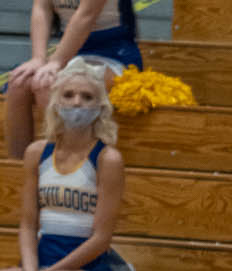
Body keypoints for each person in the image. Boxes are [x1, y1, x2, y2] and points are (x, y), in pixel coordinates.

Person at [0, 61, 132, 271]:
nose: (77, 103)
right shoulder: (37, 153)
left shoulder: (107, 159)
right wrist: (32, 270)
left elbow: (101, 239)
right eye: (69, 95)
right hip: (42, 259)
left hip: (89, 269)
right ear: (56, 102)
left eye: (87, 97)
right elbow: (28, 224)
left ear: (100, 107)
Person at [5, 0, 141, 160]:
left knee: (48, 84)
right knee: (18, 83)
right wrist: (38, 58)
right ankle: (18, 167)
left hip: (113, 51)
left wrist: (56, 61)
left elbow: (86, 15)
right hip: (71, 50)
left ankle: (65, 166)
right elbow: (41, 8)